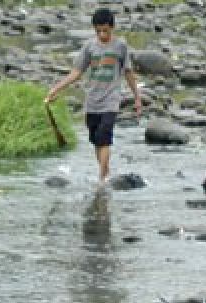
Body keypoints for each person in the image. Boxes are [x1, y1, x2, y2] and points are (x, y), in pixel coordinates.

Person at [45, 8, 142, 183]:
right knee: (96, 140)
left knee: (105, 138)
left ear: (112, 28)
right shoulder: (89, 47)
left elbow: (128, 72)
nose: (102, 35)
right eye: (98, 31)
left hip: (111, 101)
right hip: (92, 101)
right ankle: (104, 170)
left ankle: (102, 178)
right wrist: (56, 89)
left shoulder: (120, 47)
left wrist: (137, 97)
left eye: (105, 31)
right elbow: (76, 72)